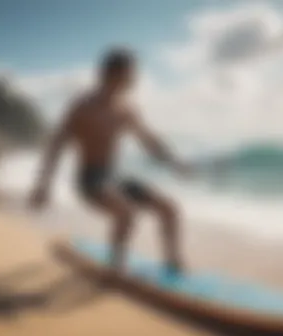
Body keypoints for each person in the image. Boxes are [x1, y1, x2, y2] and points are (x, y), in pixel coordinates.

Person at [29, 47, 191, 274]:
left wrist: (176, 163)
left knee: (169, 208)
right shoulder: (82, 107)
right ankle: (116, 268)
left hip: (114, 176)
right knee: (127, 212)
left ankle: (173, 263)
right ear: (113, 74)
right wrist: (43, 185)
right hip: (90, 180)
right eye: (130, 74)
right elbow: (56, 145)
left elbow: (149, 141)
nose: (134, 79)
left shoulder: (126, 109)